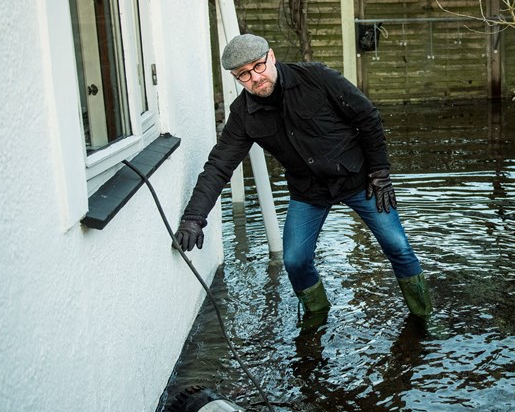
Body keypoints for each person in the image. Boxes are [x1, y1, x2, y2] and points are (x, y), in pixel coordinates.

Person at [174, 33, 432, 318]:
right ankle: (316, 317)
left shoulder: (317, 78)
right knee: (295, 260)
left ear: (271, 56)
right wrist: (193, 218)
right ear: (237, 78)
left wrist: (380, 172)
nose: (255, 78)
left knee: (398, 246)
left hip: (359, 179)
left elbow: (367, 116)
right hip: (308, 192)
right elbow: (219, 165)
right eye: (243, 75)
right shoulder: (243, 115)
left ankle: (424, 317)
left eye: (258, 66)